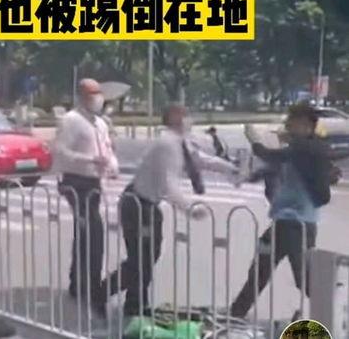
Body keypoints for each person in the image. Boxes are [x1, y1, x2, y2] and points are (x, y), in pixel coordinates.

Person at [100, 103, 240, 317]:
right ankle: (101, 293)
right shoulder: (168, 144)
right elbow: (169, 184)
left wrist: (230, 169)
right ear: (175, 118)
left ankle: (135, 303)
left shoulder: (181, 142)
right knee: (141, 259)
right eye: (186, 116)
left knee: (147, 257)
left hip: (147, 203)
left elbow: (201, 160)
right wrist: (189, 209)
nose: (190, 120)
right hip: (138, 204)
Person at [230, 103, 333, 320]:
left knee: (305, 279)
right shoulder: (301, 149)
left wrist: (254, 140)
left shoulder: (306, 148)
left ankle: (335, 313)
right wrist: (251, 176)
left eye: (291, 122)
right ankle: (236, 313)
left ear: (305, 125)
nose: (286, 125)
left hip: (298, 224)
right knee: (261, 269)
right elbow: (276, 166)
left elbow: (270, 156)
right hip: (284, 221)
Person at [54, 78, 119, 313]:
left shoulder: (100, 123)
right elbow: (60, 151)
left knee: (86, 234)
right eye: (92, 94)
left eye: (99, 93)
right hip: (75, 182)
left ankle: (79, 283)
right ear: (81, 96)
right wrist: (90, 159)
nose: (97, 98)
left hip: (94, 183)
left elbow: (108, 149)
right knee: (93, 232)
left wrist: (112, 165)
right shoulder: (71, 120)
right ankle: (89, 285)